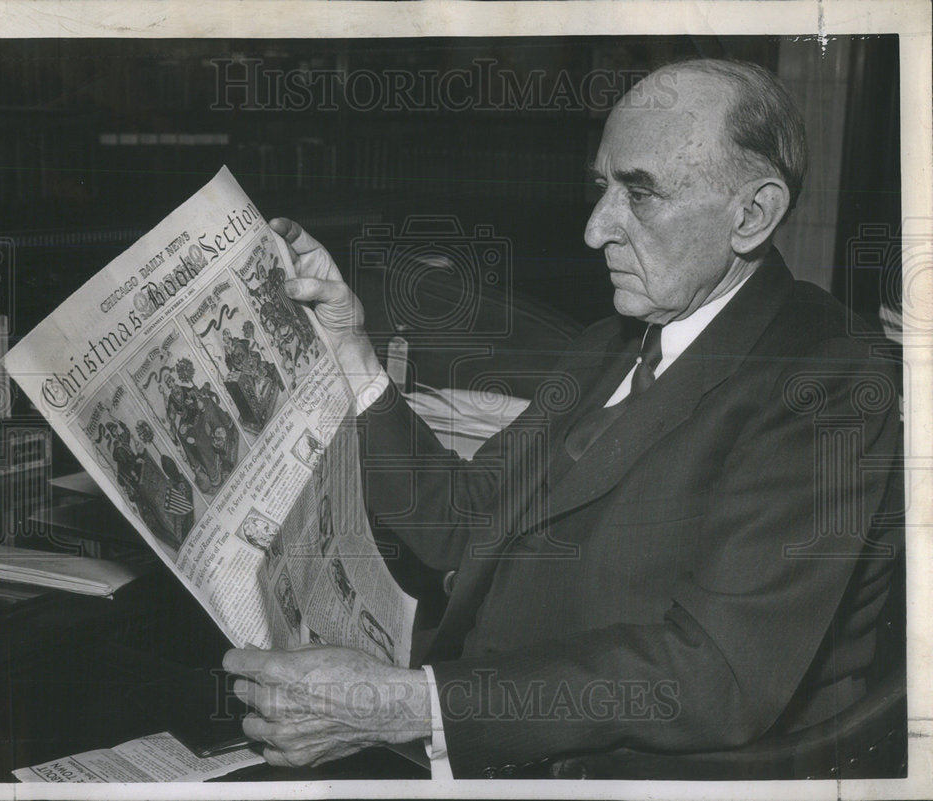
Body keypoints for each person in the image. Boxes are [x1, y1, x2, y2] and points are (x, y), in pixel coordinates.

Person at [222, 59, 902, 778]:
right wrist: (351, 352)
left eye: (640, 194)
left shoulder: (825, 377)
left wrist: (409, 705)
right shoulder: (613, 341)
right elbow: (464, 517)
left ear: (753, 214)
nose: (594, 228)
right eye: (602, 186)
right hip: (487, 732)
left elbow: (714, 676)